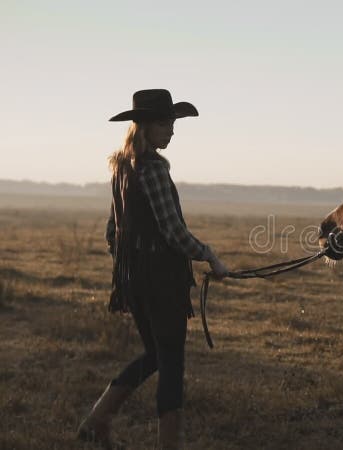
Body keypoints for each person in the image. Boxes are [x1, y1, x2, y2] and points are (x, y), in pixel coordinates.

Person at [77, 89, 228, 449]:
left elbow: (113, 232)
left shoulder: (122, 167)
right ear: (144, 125)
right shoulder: (155, 169)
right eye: (165, 123)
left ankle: (96, 422)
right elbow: (173, 230)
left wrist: (133, 264)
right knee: (171, 364)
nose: (172, 131)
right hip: (163, 282)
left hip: (135, 281)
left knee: (156, 356)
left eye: (173, 123)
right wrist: (210, 256)